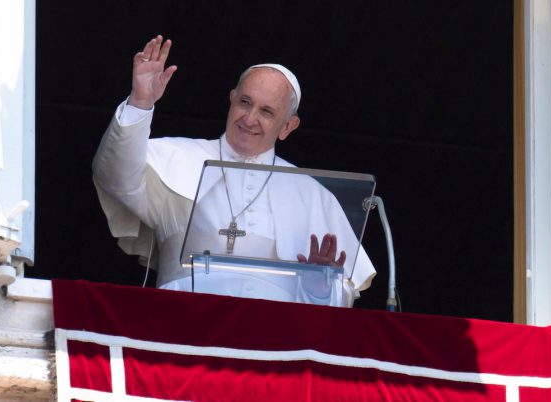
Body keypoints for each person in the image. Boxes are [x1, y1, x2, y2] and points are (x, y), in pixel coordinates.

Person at [92, 35, 375, 306]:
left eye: (266, 112)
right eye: (245, 102)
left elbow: (341, 296)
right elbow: (116, 177)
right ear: (231, 100)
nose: (250, 119)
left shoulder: (312, 195)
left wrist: (321, 284)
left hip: (274, 339)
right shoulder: (178, 157)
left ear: (288, 126)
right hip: (181, 325)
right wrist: (140, 103)